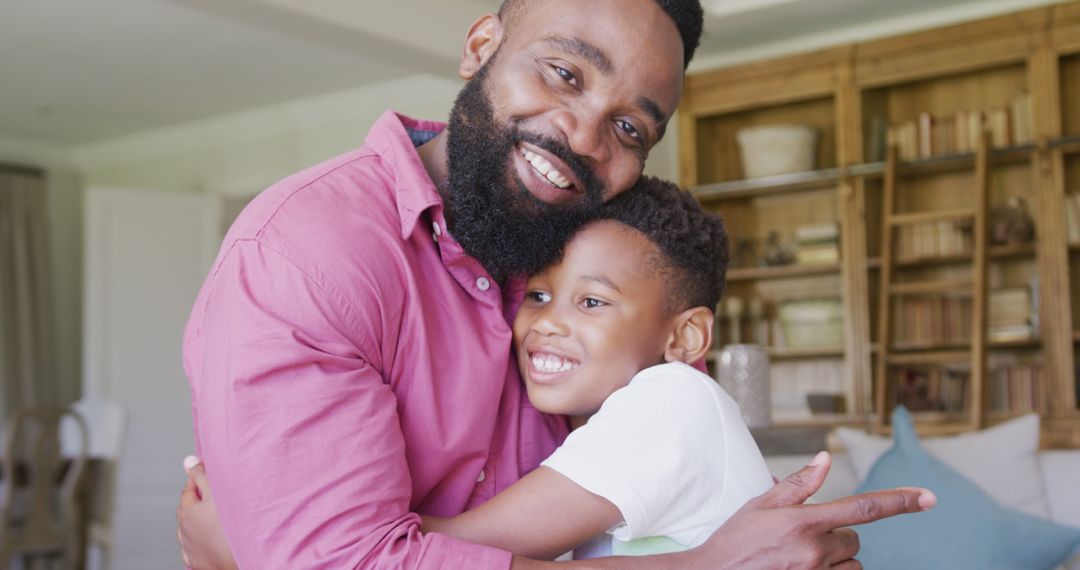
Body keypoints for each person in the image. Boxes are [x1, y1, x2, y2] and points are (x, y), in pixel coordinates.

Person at [177, 1, 935, 568]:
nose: (580, 135)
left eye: (631, 129)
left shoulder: (577, 247)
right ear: (481, 46)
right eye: (564, 73)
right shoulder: (307, 254)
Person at [421, 176, 775, 560]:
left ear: (685, 337)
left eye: (591, 302)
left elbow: (460, 550)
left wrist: (359, 523)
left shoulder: (673, 400)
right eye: (538, 295)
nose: (547, 322)